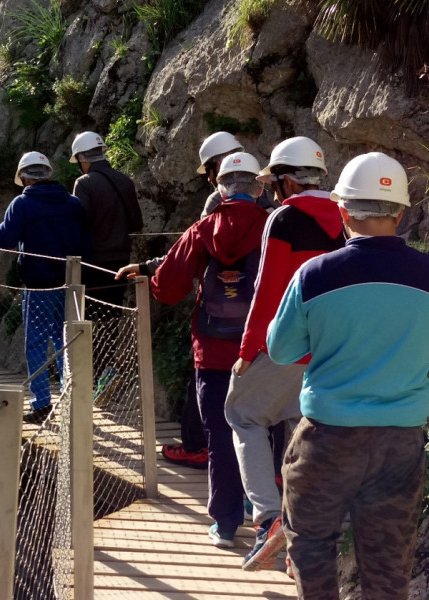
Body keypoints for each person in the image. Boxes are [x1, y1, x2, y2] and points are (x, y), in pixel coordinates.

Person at [267, 152, 429, 599]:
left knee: (312, 549)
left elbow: (281, 350)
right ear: (401, 211)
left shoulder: (314, 274)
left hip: (327, 439)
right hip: (400, 442)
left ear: (342, 211)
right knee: (389, 564)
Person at [225, 137, 345, 571]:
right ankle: (300, 537)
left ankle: (267, 518)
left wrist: (247, 349)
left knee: (242, 414)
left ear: (286, 181)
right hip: (331, 347)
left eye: (274, 184)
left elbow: (268, 288)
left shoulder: (284, 219)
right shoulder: (347, 215)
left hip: (288, 342)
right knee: (299, 427)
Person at [150, 152, 269, 548]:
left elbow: (167, 288)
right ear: (259, 186)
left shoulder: (203, 228)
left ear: (220, 187)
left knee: (219, 433)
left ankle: (224, 523)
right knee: (261, 428)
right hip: (260, 347)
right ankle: (260, 508)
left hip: (213, 349)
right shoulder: (273, 226)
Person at [0, 152, 91, 424]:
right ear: (48, 173)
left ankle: (42, 404)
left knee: (36, 343)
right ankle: (70, 399)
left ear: (25, 177)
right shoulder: (73, 204)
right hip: (71, 283)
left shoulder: (22, 203)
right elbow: (86, 241)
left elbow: (4, 239)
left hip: (38, 285)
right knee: (66, 341)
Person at [70, 131, 142, 307]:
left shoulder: (84, 183)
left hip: (93, 262)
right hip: (122, 260)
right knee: (113, 314)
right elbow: (136, 223)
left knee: (91, 316)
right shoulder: (125, 180)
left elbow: (78, 225)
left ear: (81, 157)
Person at [197, 131, 278, 217]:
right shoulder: (268, 197)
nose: (209, 178)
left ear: (220, 165)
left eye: (207, 170)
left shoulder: (215, 201)